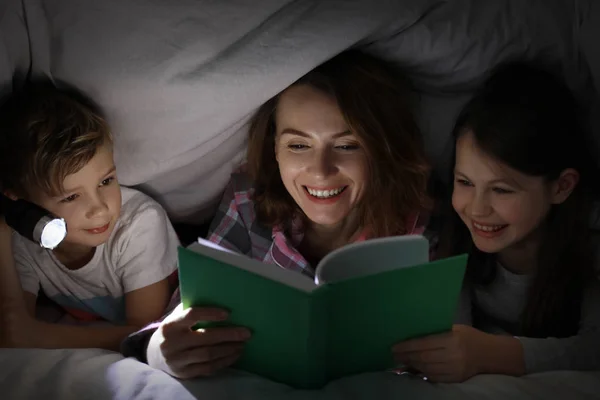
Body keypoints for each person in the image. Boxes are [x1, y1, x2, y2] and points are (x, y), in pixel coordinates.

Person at [121, 50, 432, 379]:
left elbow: (440, 344)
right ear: (275, 151)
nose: (322, 172)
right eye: (298, 146)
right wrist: (158, 350)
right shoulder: (247, 200)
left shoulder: (419, 219)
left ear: (382, 150)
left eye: (347, 145)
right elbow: (184, 313)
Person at [392, 63, 600, 382]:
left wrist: (490, 353)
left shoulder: (589, 244)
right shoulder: (452, 239)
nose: (476, 209)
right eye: (465, 182)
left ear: (561, 187)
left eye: (501, 189)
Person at [0, 81, 180, 350]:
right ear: (19, 199)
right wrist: (3, 228)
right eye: (71, 197)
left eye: (106, 181)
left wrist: (40, 336)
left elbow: (146, 336)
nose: (100, 208)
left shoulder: (139, 224)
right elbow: (13, 329)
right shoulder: (24, 241)